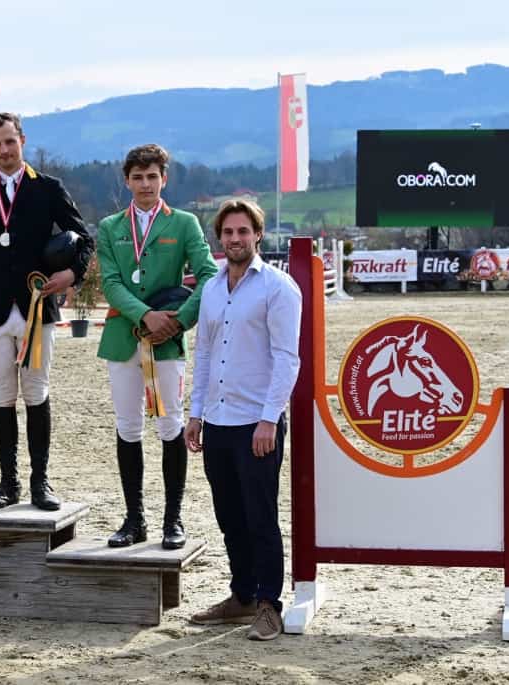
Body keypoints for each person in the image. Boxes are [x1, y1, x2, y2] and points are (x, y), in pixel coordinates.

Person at [0, 112, 94, 511]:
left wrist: (72, 273)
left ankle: (40, 481)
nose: (3, 151)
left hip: (38, 307)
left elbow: (83, 238)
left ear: (22, 140)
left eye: (9, 142)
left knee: (36, 393)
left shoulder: (48, 188)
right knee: (3, 396)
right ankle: (8, 481)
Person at [184, 198, 302, 641]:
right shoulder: (212, 289)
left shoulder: (279, 288)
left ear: (258, 234)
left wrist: (270, 419)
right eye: (228, 233)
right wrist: (195, 413)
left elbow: (287, 359)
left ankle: (270, 604)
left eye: (243, 231)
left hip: (258, 423)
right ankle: (242, 595)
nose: (235, 239)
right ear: (220, 238)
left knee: (260, 517)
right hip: (217, 421)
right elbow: (206, 352)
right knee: (229, 516)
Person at [97, 144, 217, 550]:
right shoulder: (111, 227)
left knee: (170, 426)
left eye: (152, 177)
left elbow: (207, 275)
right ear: (127, 180)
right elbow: (111, 283)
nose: (145, 184)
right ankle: (134, 519)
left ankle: (173, 519)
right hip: (123, 339)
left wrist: (179, 320)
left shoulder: (184, 224)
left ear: (164, 179)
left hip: (167, 341)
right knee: (128, 427)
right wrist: (144, 315)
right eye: (137, 177)